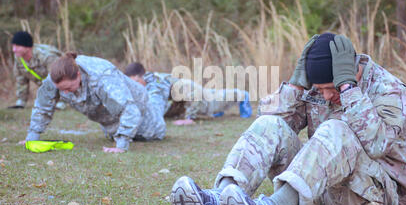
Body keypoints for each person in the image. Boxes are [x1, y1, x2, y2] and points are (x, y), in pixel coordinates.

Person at [170, 33, 406, 205]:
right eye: (321, 89)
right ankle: (218, 204)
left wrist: (348, 89)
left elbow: (377, 145)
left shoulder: (389, 89)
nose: (327, 96)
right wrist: (295, 86)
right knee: (270, 124)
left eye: (332, 88)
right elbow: (273, 125)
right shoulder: (315, 89)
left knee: (336, 129)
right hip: (316, 202)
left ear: (352, 71)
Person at [24, 52, 166, 153]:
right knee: (114, 131)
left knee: (156, 105)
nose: (65, 93)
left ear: (78, 75)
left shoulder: (102, 77)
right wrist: (32, 138)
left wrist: (121, 146)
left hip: (145, 118)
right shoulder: (54, 79)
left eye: (68, 88)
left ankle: (160, 83)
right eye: (61, 90)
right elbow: (42, 106)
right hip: (113, 123)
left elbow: (130, 110)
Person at [124, 62, 252, 126]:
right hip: (187, 92)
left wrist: (189, 119)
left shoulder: (155, 83)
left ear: (140, 77)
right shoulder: (149, 82)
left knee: (213, 104)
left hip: (191, 91)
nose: (133, 86)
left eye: (134, 81)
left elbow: (192, 95)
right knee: (215, 96)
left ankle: (243, 95)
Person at [9, 31, 66, 110]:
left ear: (28, 47)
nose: (14, 50)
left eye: (17, 46)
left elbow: (59, 78)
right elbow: (21, 80)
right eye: (13, 46)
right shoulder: (19, 58)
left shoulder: (46, 56)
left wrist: (58, 100)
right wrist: (21, 102)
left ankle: (62, 100)